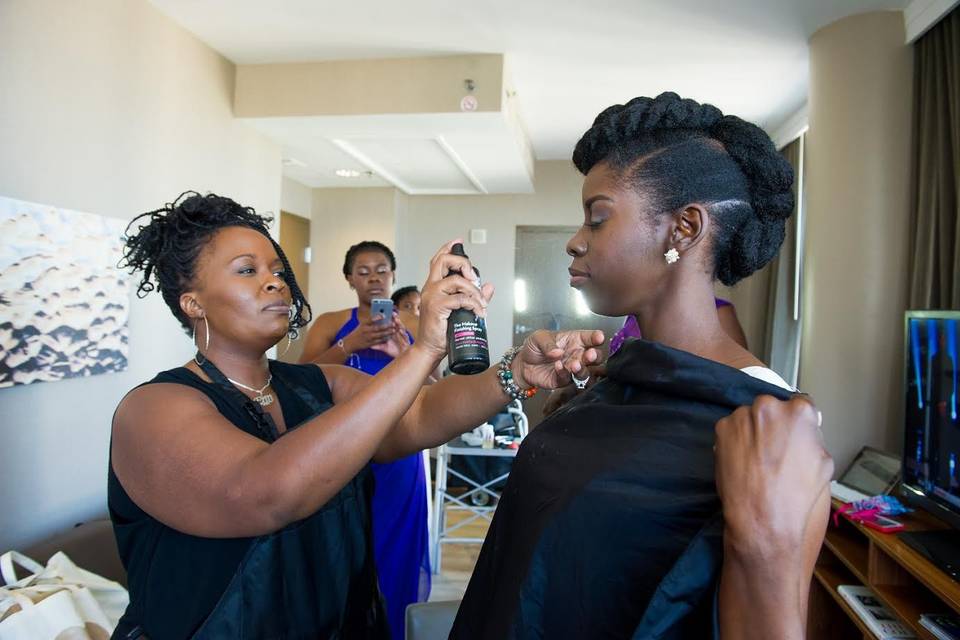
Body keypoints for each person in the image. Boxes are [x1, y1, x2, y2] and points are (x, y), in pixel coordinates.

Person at [109, 192, 605, 639]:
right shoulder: (154, 409)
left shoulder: (318, 383)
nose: (275, 284)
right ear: (192, 301)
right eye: (247, 271)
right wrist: (422, 350)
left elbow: (416, 415)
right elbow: (267, 493)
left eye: (277, 270)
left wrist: (517, 370)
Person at [449, 92, 831, 639]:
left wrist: (764, 543)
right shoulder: (615, 376)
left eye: (597, 218)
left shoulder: (767, 422)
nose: (574, 243)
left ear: (683, 230)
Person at [298, 243, 430, 639]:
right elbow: (299, 377)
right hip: (341, 448)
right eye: (363, 271)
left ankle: (390, 631)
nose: (374, 278)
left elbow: (437, 386)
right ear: (349, 278)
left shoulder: (413, 322)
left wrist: (406, 351)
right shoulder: (330, 322)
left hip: (400, 448)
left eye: (382, 270)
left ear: (392, 274)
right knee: (346, 543)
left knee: (395, 544)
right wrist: (348, 345)